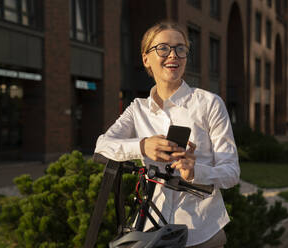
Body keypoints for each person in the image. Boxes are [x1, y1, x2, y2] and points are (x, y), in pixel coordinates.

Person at [94, 21, 240, 248]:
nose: (173, 55)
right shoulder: (137, 109)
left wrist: (194, 171)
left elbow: (231, 173)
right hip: (152, 230)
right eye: (162, 48)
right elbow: (103, 145)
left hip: (202, 232)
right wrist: (142, 146)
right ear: (146, 59)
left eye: (180, 48)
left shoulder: (209, 104)